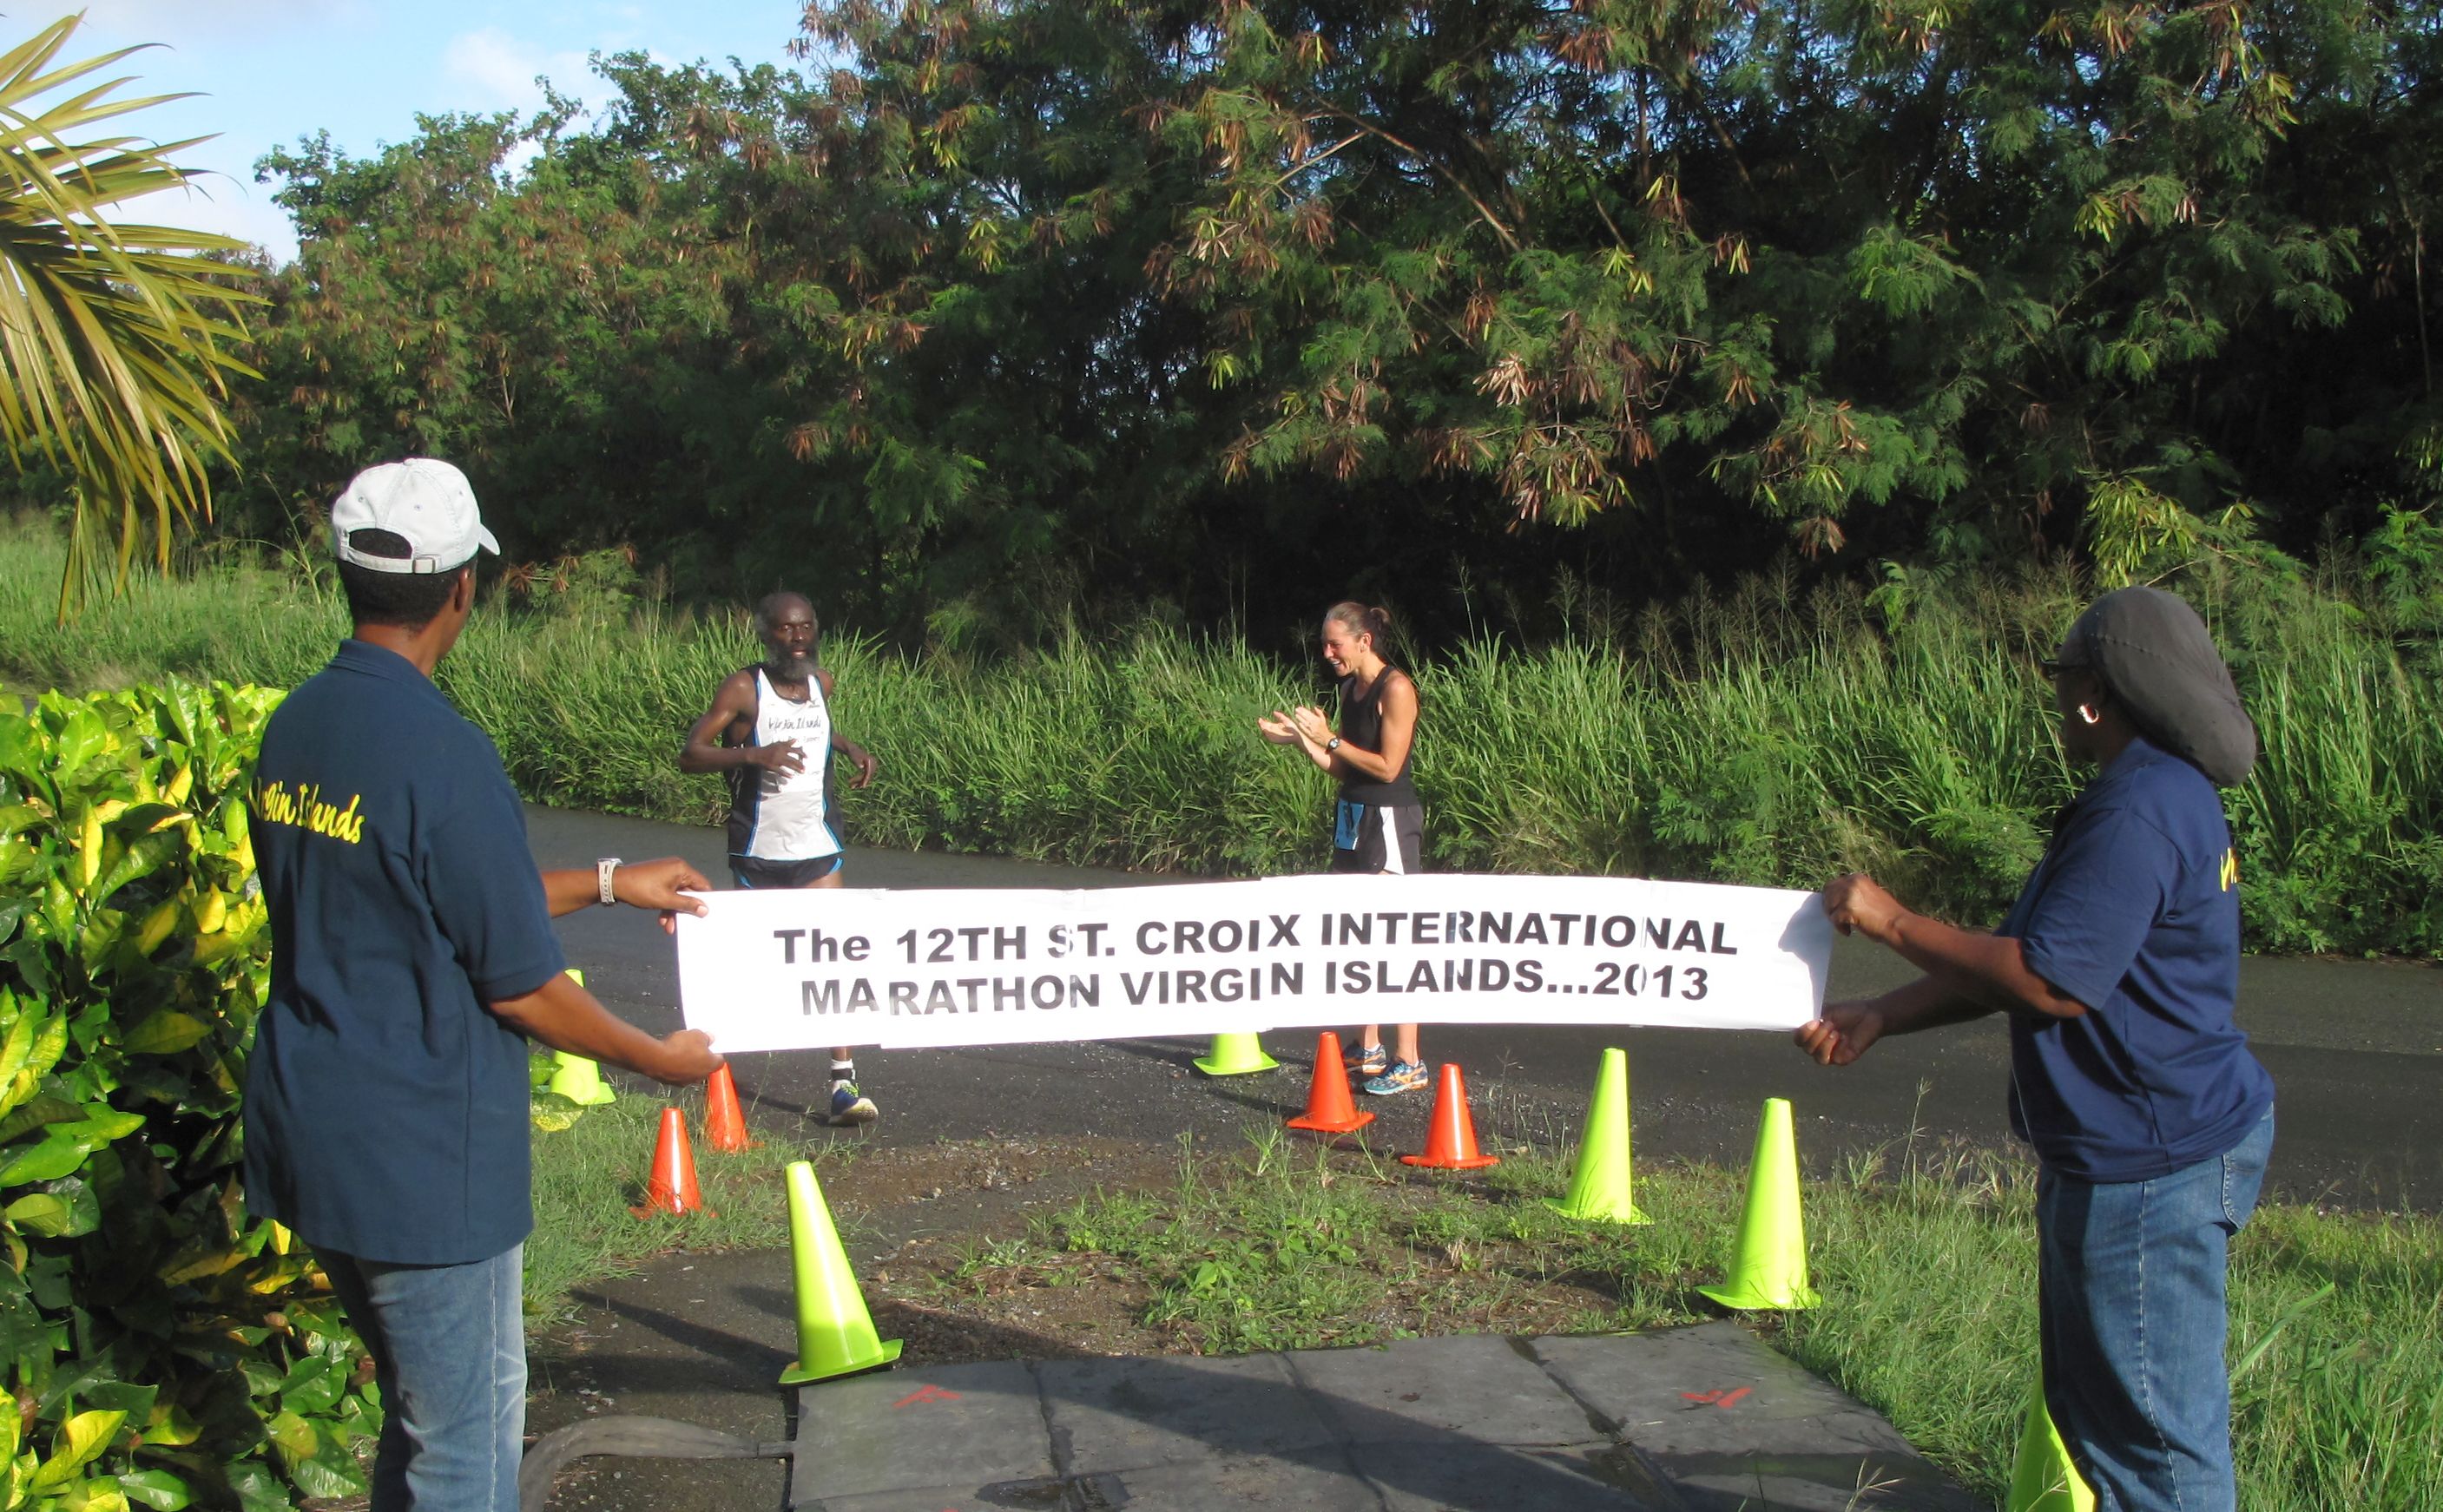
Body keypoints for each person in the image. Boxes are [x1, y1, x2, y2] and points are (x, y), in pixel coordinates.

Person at [244, 458, 726, 1512]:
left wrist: (605, 880)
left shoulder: (298, 725)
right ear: (464, 587)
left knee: (427, 1417)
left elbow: (419, 890)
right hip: (422, 1168)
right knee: (466, 1451)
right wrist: (660, 1060)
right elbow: (519, 987)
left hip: (309, 1139)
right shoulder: (444, 754)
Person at [1793, 586, 2275, 1512]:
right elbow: (2022, 956)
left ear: (2098, 691)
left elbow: (2053, 981)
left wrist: (1892, 919)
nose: (2056, 701)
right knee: (2102, 1417)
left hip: (2149, 1164)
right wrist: (1885, 1013)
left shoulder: (2137, 812)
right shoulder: (2158, 793)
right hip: (2146, 1146)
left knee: (2156, 1453)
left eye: (2064, 682)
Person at [680, 589, 882, 1124]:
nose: (798, 638)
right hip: (759, 850)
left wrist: (849, 747)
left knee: (833, 959)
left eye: (806, 627)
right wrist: (753, 755)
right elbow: (692, 753)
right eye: (787, 629)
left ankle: (843, 1085)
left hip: (817, 846)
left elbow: (815, 728)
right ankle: (713, 1076)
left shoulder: (822, 683)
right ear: (766, 633)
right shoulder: (744, 688)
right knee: (754, 963)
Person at [1258, 601, 1430, 1095]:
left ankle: (1409, 1059)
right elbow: (1346, 767)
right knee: (1359, 935)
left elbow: (1388, 767)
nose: (1327, 652)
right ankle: (1369, 1045)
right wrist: (1301, 741)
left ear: (1364, 641)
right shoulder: (1349, 688)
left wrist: (1329, 739)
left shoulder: (1396, 688)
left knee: (1394, 940)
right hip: (1353, 817)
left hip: (1390, 820)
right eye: (1324, 644)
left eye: (1335, 643)